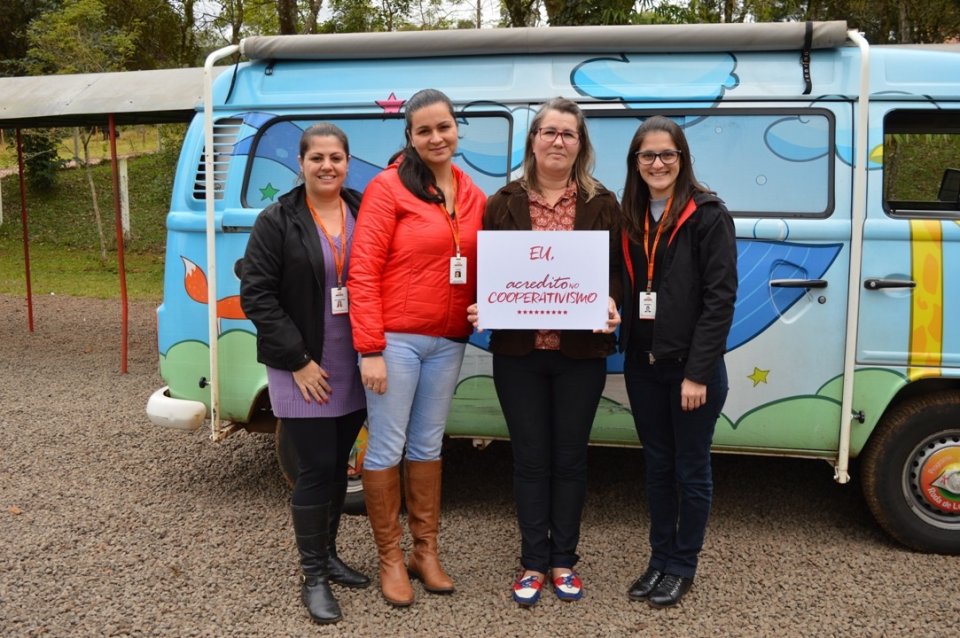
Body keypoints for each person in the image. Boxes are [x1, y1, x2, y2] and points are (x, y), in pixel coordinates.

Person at [467, 97, 622, 607]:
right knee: (531, 460)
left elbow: (616, 274)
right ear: (533, 140)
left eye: (568, 134)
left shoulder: (603, 203)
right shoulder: (502, 201)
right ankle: (533, 560)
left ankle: (564, 561)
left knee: (570, 459)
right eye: (549, 132)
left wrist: (614, 304)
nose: (558, 141)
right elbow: (488, 271)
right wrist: (482, 306)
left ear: (581, 145)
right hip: (519, 354)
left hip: (581, 353)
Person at [347, 88, 486, 607]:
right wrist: (370, 348)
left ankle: (424, 551)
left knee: (429, 445)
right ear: (410, 137)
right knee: (387, 445)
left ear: (457, 130)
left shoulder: (473, 194)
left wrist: (491, 305)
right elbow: (362, 270)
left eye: (444, 127)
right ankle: (389, 557)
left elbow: (490, 264)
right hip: (397, 341)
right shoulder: (388, 189)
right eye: (424, 130)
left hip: (448, 340)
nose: (436, 137)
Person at [240, 123, 369, 625]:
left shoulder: (361, 208)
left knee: (339, 466)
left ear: (347, 161)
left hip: (353, 360)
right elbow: (258, 294)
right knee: (314, 468)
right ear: (301, 163)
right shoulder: (277, 219)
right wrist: (297, 360)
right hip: (302, 367)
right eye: (317, 158)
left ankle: (331, 554)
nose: (327, 166)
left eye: (335, 157)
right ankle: (312, 574)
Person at [619, 115, 737, 608]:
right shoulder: (630, 214)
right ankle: (658, 559)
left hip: (692, 370)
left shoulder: (708, 214)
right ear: (636, 162)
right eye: (648, 155)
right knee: (658, 468)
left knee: (690, 470)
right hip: (642, 366)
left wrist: (696, 373)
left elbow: (720, 300)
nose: (658, 163)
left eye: (668, 154)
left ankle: (682, 565)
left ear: (682, 158)